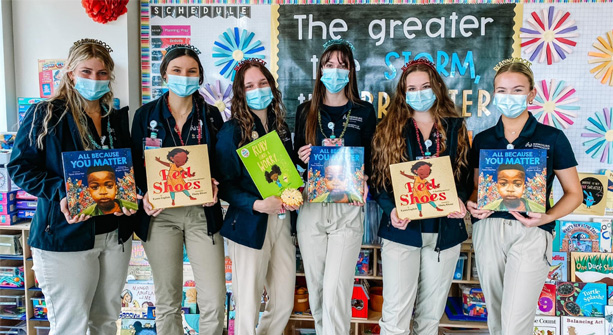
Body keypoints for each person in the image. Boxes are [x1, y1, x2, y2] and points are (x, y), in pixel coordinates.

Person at [7, 38, 136, 335]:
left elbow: (127, 169)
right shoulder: (47, 114)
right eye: (86, 72)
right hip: (65, 236)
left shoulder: (114, 118)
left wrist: (134, 191)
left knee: (105, 321)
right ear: (70, 73)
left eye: (102, 73)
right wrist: (61, 192)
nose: (94, 79)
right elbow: (19, 167)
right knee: (71, 326)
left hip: (114, 235)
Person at [467, 58, 582, 335]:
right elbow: (477, 189)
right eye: (502, 91)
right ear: (494, 93)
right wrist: (474, 205)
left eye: (517, 90)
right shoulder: (483, 139)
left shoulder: (552, 137)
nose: (509, 97)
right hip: (489, 230)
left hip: (531, 231)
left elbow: (574, 194)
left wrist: (548, 216)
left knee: (516, 322)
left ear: (531, 94)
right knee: (496, 317)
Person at [370, 57, 471, 335]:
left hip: (444, 233)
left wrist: (460, 200)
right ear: (402, 94)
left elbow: (463, 179)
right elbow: (378, 183)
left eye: (425, 86)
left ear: (437, 87)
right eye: (411, 89)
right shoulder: (387, 130)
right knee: (395, 317)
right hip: (403, 231)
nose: (419, 93)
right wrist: (391, 209)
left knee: (429, 319)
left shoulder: (455, 127)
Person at [131, 44, 226, 335]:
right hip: (161, 216)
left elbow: (222, 164)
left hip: (201, 215)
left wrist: (215, 186)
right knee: (167, 299)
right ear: (164, 75)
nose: (184, 76)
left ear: (199, 77)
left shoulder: (211, 116)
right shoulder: (145, 116)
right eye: (177, 70)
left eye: (191, 71)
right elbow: (133, 166)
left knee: (213, 298)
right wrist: (141, 196)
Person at [294, 40, 375, 335]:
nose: (336, 71)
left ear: (351, 71)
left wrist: (365, 179)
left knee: (337, 289)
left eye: (343, 65)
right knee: (315, 289)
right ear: (320, 70)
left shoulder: (364, 111)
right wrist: (302, 160)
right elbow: (295, 165)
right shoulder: (306, 111)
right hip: (311, 208)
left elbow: (373, 159)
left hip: (347, 210)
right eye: (330, 65)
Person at [216, 58, 298, 335]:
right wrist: (257, 204)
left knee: (284, 301)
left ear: (272, 87)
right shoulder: (231, 132)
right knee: (248, 304)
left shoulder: (281, 127)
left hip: (282, 222)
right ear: (241, 93)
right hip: (250, 224)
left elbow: (288, 172)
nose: (257, 90)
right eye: (250, 85)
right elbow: (225, 185)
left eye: (263, 83)